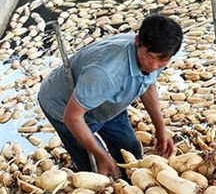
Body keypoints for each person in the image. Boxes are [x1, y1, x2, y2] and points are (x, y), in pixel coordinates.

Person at [38, 15, 182, 178]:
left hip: (107, 100)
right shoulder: (106, 73)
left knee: (130, 151)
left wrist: (160, 128)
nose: (154, 66)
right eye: (150, 58)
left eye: (161, 62)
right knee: (94, 170)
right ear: (137, 42)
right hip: (64, 105)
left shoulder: (156, 54)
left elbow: (147, 84)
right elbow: (72, 117)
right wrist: (103, 158)